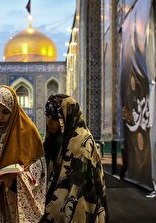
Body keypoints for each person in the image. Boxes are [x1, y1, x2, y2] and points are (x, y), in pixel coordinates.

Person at [0, 85, 46, 223]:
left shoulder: (28, 131)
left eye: (6, 112)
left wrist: (16, 180)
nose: (0, 117)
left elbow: (39, 174)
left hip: (16, 203)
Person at [42, 94, 108, 223]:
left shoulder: (82, 142)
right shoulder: (54, 138)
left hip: (80, 206)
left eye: (55, 117)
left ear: (68, 117)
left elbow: (77, 187)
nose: (49, 121)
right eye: (47, 115)